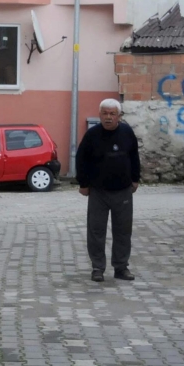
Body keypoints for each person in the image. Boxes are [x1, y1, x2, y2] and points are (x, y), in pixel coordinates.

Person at [76, 99, 141, 283]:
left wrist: (135, 179)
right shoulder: (92, 135)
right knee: (96, 231)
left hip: (123, 190)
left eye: (112, 114)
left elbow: (134, 156)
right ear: (100, 115)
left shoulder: (127, 133)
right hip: (98, 191)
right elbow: (81, 159)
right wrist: (83, 183)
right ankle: (97, 268)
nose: (108, 117)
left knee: (123, 231)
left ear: (119, 116)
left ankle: (121, 267)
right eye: (105, 113)